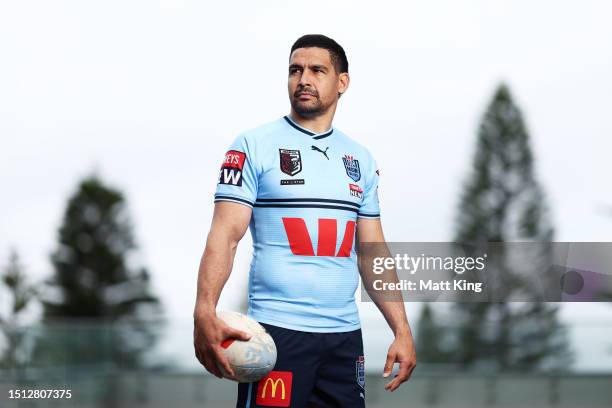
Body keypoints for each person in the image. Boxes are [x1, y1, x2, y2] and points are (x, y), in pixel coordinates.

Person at [193, 34, 416, 407]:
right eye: (295, 70)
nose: (303, 79)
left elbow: (372, 254)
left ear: (341, 82)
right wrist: (204, 309)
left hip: (344, 340)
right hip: (278, 335)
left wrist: (402, 329)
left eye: (317, 70)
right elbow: (225, 235)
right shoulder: (252, 145)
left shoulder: (359, 159)